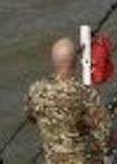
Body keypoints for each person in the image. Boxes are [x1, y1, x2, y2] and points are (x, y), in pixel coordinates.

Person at [26, 36, 112, 164]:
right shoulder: (85, 93)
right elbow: (104, 131)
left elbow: (31, 116)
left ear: (53, 60)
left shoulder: (35, 90)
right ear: (75, 61)